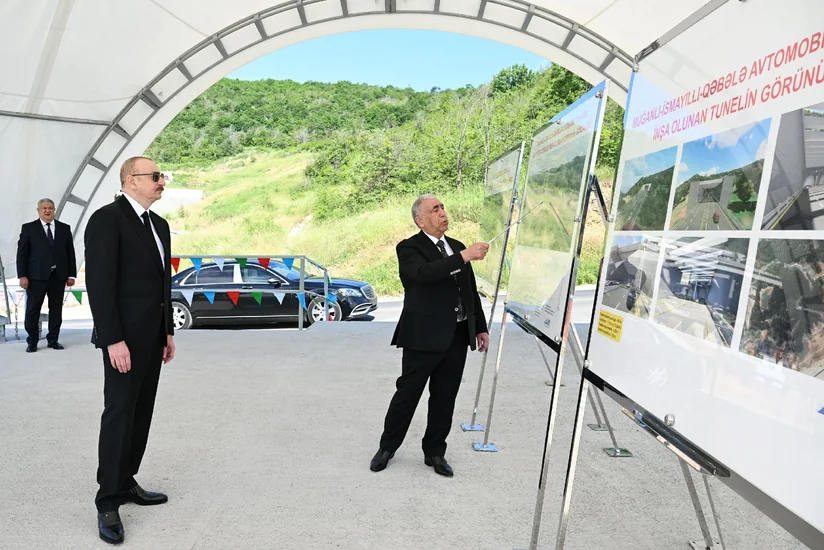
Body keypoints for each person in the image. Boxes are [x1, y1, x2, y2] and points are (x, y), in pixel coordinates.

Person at [85, 156, 176, 545]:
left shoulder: (159, 225)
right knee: (120, 413)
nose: (161, 182)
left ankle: (126, 481)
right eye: (155, 176)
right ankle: (107, 501)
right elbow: (100, 286)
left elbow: (162, 283)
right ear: (130, 180)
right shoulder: (107, 219)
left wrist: (167, 330)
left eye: (162, 176)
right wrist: (112, 339)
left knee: (142, 413)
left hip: (152, 338)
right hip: (122, 339)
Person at [370, 194, 490, 477]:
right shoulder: (409, 248)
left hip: (457, 336)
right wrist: (463, 257)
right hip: (422, 337)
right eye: (435, 209)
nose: (442, 213)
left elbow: (470, 292)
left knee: (445, 397)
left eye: (443, 207)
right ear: (420, 220)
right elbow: (423, 274)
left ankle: (435, 451)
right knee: (408, 394)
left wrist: (480, 327)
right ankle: (387, 447)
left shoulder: (458, 246)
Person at [16, 198, 78, 352]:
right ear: (38, 210)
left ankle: (53, 340)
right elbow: (22, 254)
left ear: (54, 210)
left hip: (58, 276)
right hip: (36, 277)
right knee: (32, 310)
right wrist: (22, 275)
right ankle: (32, 341)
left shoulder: (64, 228)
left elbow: (70, 252)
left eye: (50, 208)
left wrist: (71, 275)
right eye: (44, 208)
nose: (47, 211)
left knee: (56, 309)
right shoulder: (28, 228)